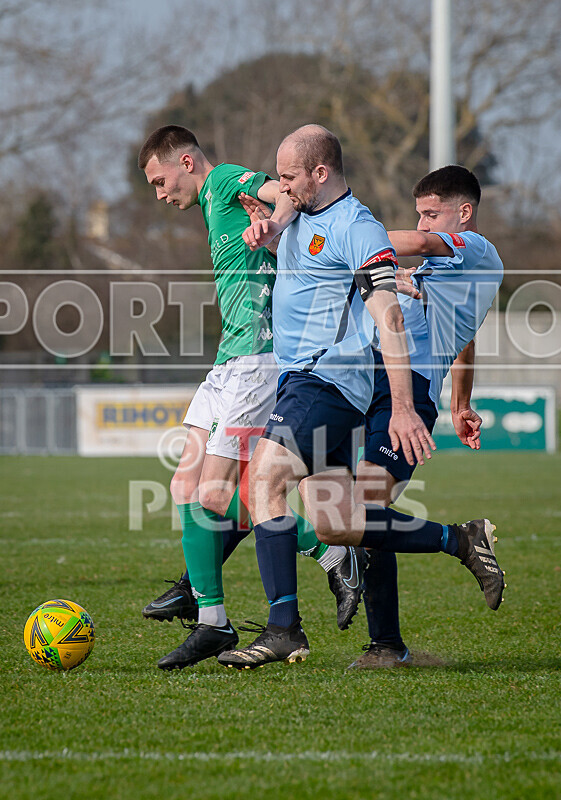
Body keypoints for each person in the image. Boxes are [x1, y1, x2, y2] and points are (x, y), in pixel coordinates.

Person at [137, 125, 364, 671]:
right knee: (185, 484)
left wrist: (275, 217)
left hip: (257, 362)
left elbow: (283, 192)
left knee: (217, 496)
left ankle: (333, 553)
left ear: (187, 162)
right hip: (226, 362)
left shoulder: (222, 181)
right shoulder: (214, 201)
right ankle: (213, 620)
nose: (161, 194)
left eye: (161, 181)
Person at [218, 124, 444, 671]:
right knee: (340, 521)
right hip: (301, 380)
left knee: (264, 480)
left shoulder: (357, 228)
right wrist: (266, 230)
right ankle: (455, 546)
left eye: (290, 177)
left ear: (321, 174)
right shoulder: (301, 210)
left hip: (329, 379)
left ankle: (283, 629)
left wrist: (406, 407)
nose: (281, 184)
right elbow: (288, 228)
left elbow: (388, 319)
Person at [349, 164, 504, 668]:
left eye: (431, 214)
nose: (422, 225)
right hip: (370, 380)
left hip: (407, 393)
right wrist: (461, 404)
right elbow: (464, 337)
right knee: (359, 515)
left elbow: (412, 248)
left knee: (362, 512)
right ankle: (386, 645)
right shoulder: (450, 273)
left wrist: (351, 241)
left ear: (464, 213)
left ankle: (459, 540)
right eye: (418, 215)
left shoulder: (477, 249)